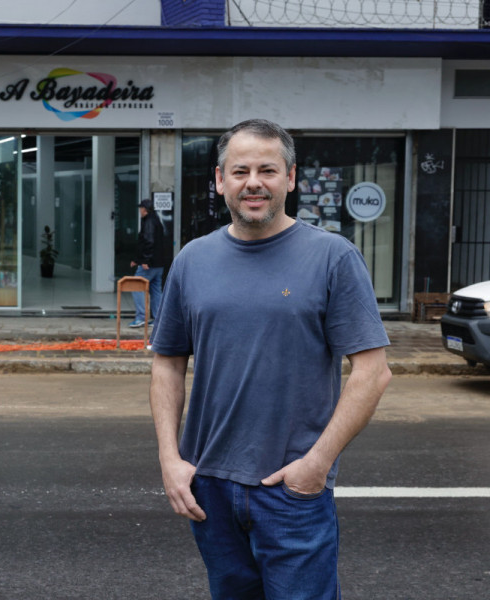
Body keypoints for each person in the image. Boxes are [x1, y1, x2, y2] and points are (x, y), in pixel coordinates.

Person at [148, 119, 392, 599]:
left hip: (291, 486)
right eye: (240, 171)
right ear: (220, 181)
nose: (253, 182)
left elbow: (373, 371)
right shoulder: (192, 260)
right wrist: (169, 458)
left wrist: (316, 464)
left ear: (291, 177)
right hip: (209, 485)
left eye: (268, 169)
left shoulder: (332, 257)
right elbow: (168, 362)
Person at [129, 198, 166, 328]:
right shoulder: (156, 221)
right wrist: (137, 259)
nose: (139, 211)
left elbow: (148, 242)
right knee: (156, 290)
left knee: (136, 286)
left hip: (149, 264)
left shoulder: (149, 222)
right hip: (159, 263)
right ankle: (158, 319)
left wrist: (144, 260)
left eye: (141, 208)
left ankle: (141, 317)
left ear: (145, 209)